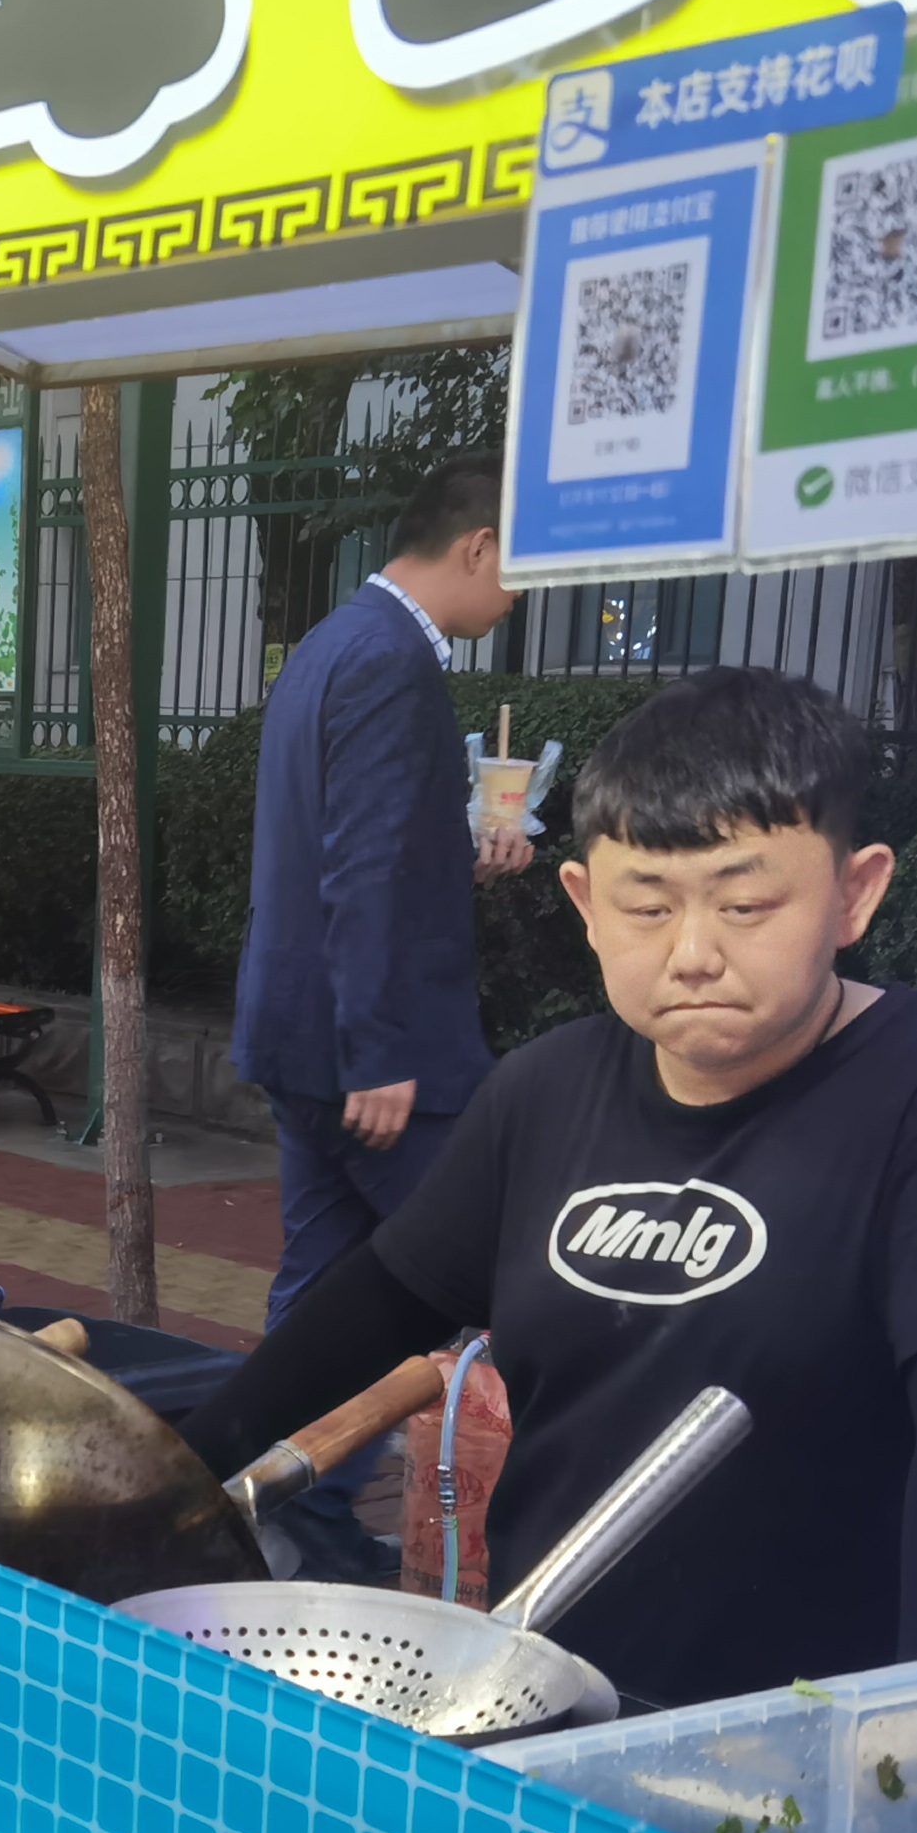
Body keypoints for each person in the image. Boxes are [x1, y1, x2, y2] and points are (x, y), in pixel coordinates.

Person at [177, 667, 917, 1714]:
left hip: (810, 1728)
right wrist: (172, 1472)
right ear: (584, 903)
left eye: (746, 906)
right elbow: (385, 1298)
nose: (693, 954)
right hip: (546, 1697)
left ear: (855, 893)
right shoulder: (546, 1090)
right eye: (648, 907)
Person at [230, 453, 538, 1577]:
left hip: (300, 1036)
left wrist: (461, 853)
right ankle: (479, 1536)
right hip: (375, 1055)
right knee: (489, 1278)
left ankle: (275, 1502)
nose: (518, 600)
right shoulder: (393, 662)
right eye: (520, 574)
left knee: (322, 1285)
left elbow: (360, 851)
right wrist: (380, 1049)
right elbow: (358, 870)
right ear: (478, 546)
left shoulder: (332, 645)